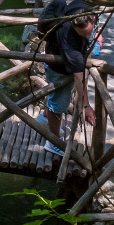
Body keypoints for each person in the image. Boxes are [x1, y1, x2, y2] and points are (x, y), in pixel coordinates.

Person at [40, 10, 98, 158]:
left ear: (92, 19)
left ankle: (45, 117)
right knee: (58, 104)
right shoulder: (71, 44)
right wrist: (86, 105)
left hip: (52, 56)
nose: (86, 37)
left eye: (88, 32)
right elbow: (80, 78)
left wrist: (97, 34)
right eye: (82, 34)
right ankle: (53, 142)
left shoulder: (81, 11)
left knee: (54, 96)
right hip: (58, 68)